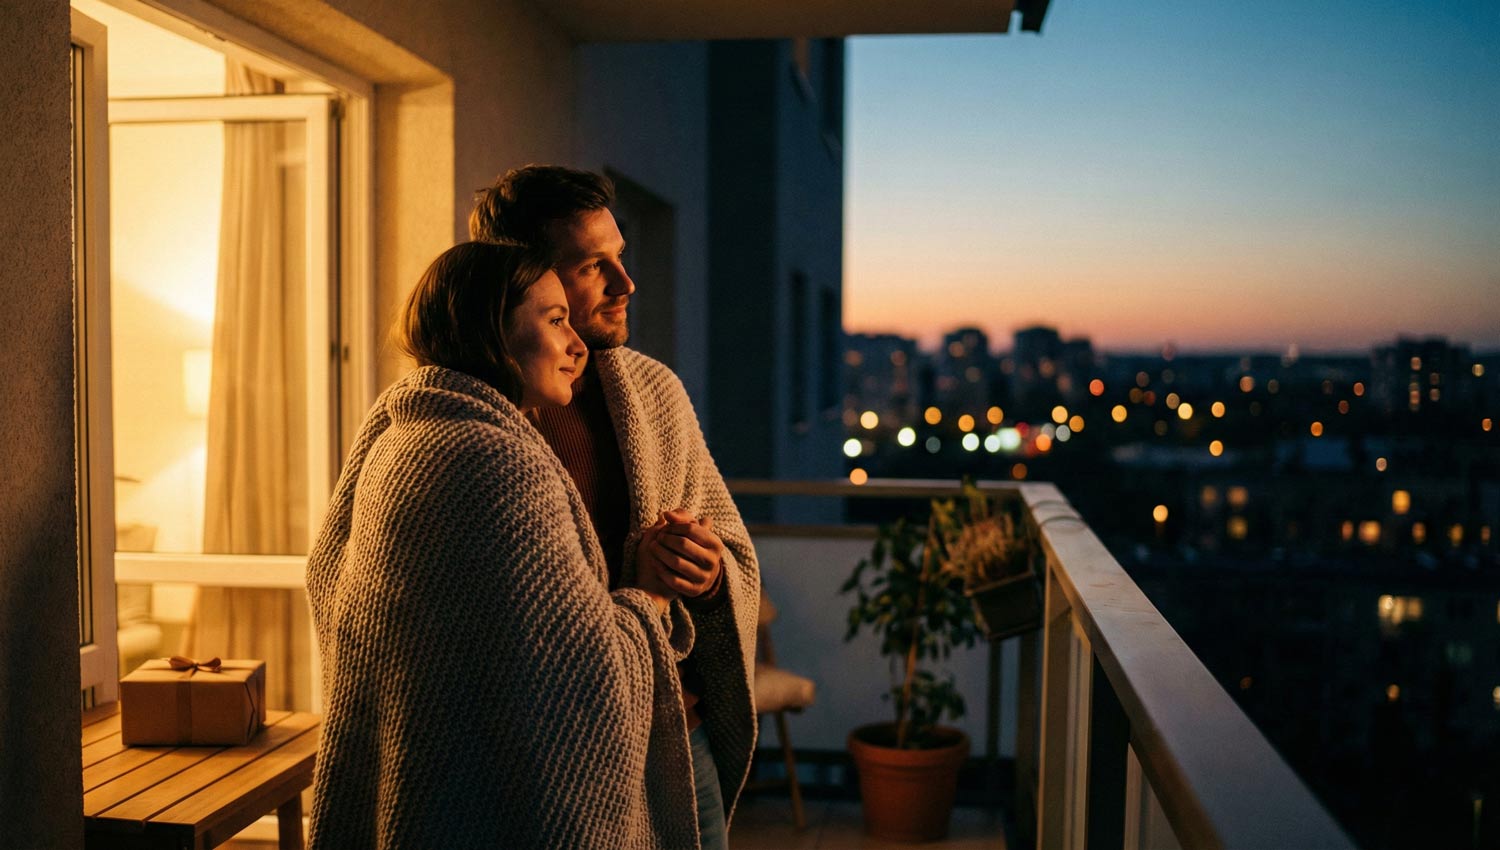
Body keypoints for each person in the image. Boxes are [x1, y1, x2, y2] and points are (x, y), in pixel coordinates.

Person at [305, 240, 703, 848]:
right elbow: (582, 685)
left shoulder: (401, 437)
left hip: (420, 794)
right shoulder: (497, 463)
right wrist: (648, 593)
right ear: (493, 330)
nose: (576, 346)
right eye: (554, 320)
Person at [470, 166, 759, 850]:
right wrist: (641, 590)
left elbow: (736, 553)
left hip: (677, 740)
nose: (625, 285)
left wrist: (707, 572)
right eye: (594, 266)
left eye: (620, 258)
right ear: (526, 280)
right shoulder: (476, 424)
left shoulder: (655, 393)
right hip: (543, 761)